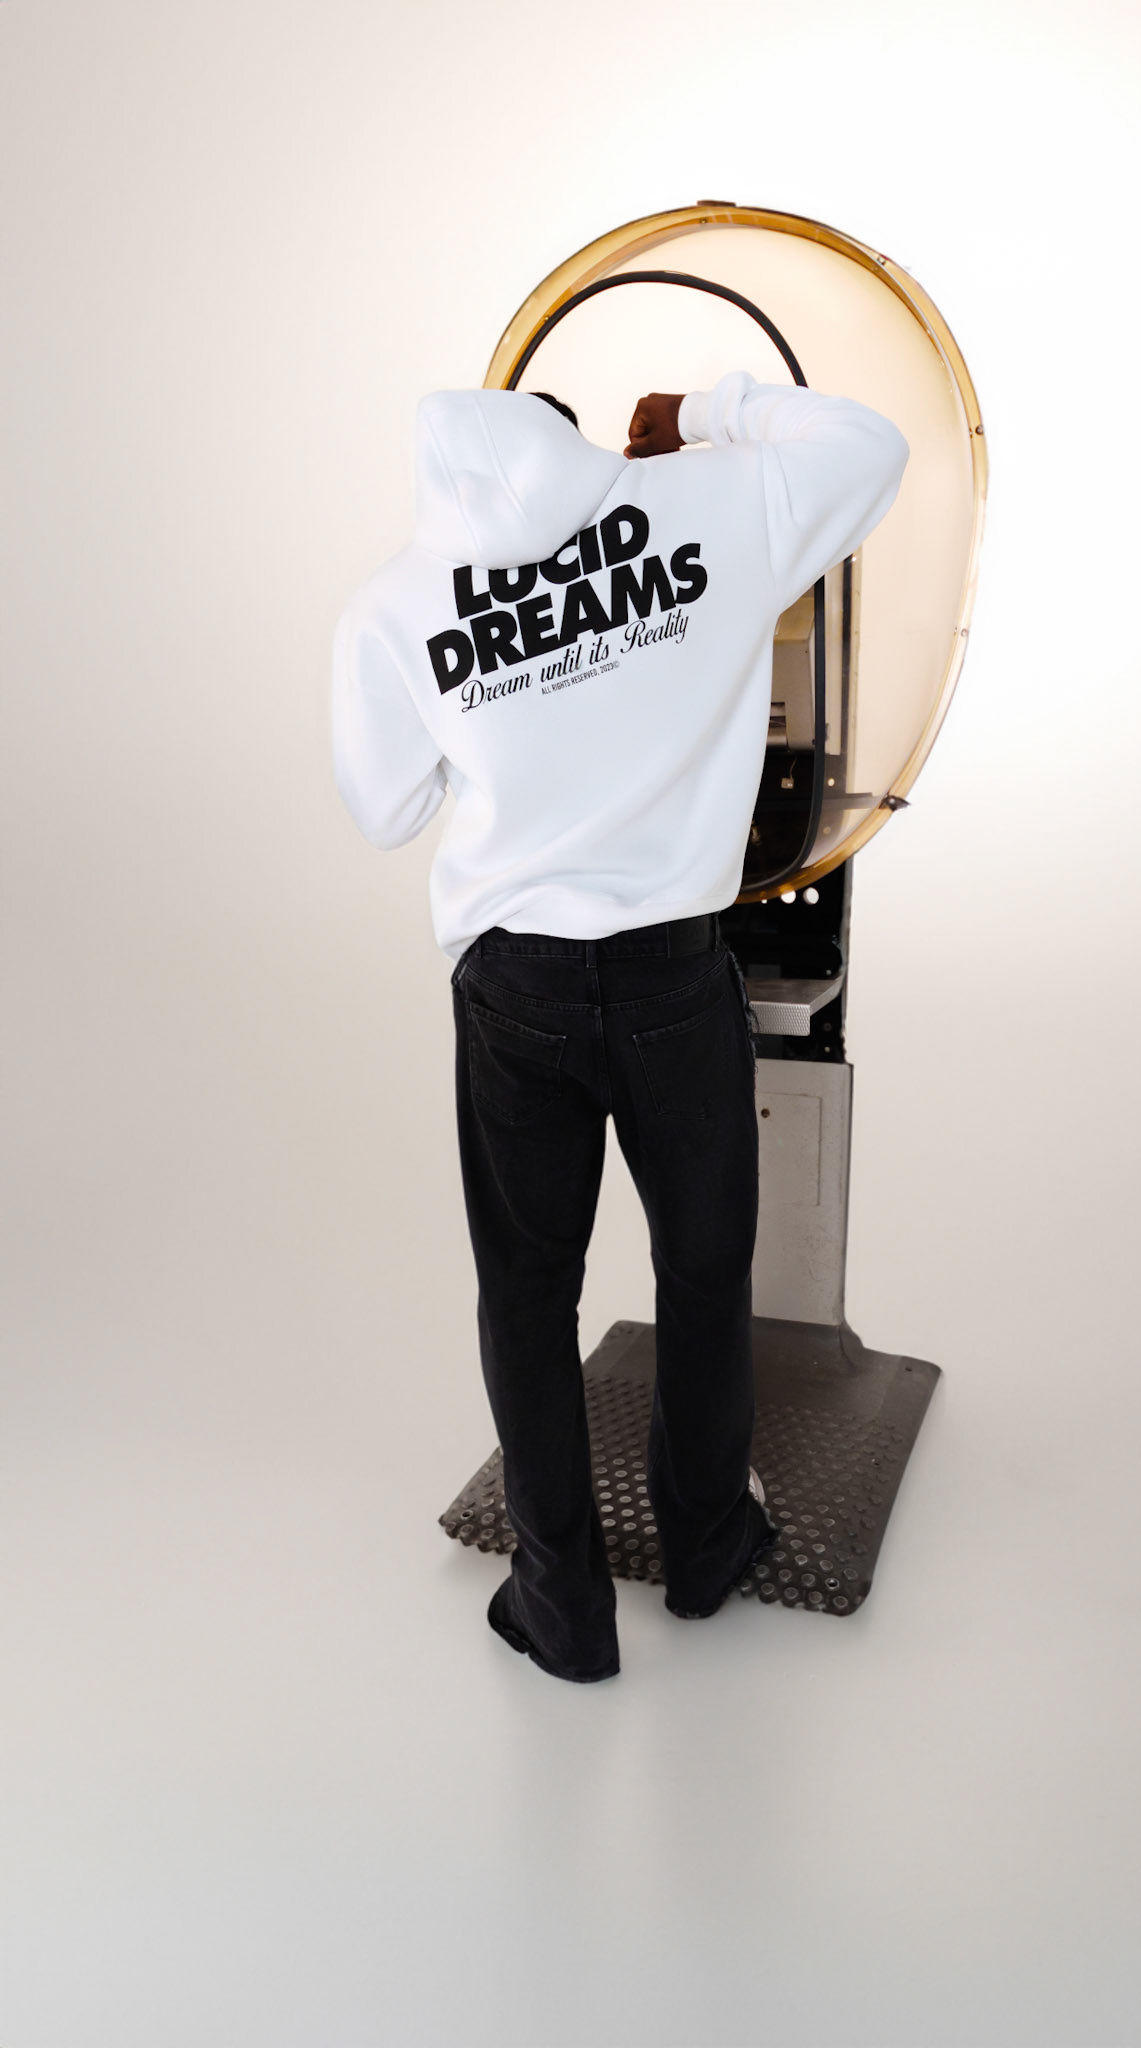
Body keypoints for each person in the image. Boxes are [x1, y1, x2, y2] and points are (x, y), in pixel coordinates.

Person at [333, 371, 908, 1683]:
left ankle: (561, 1610)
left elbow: (385, 807)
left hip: (516, 991)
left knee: (528, 1296)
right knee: (703, 1274)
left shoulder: (395, 603)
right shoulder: (709, 508)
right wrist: (696, 414)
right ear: (578, 445)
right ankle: (706, 1549)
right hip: (671, 978)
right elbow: (870, 446)